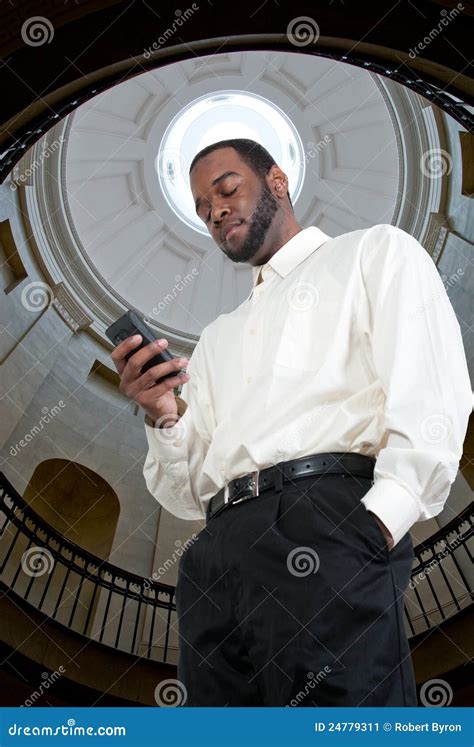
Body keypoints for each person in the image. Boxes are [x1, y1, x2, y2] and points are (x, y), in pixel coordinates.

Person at [111, 138, 472, 707]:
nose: (216, 211)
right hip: (216, 556)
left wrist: (376, 527)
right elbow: (182, 495)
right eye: (205, 209)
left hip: (328, 522)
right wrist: (162, 417)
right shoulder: (215, 341)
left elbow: (431, 391)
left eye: (227, 189)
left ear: (277, 181)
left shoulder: (374, 253)